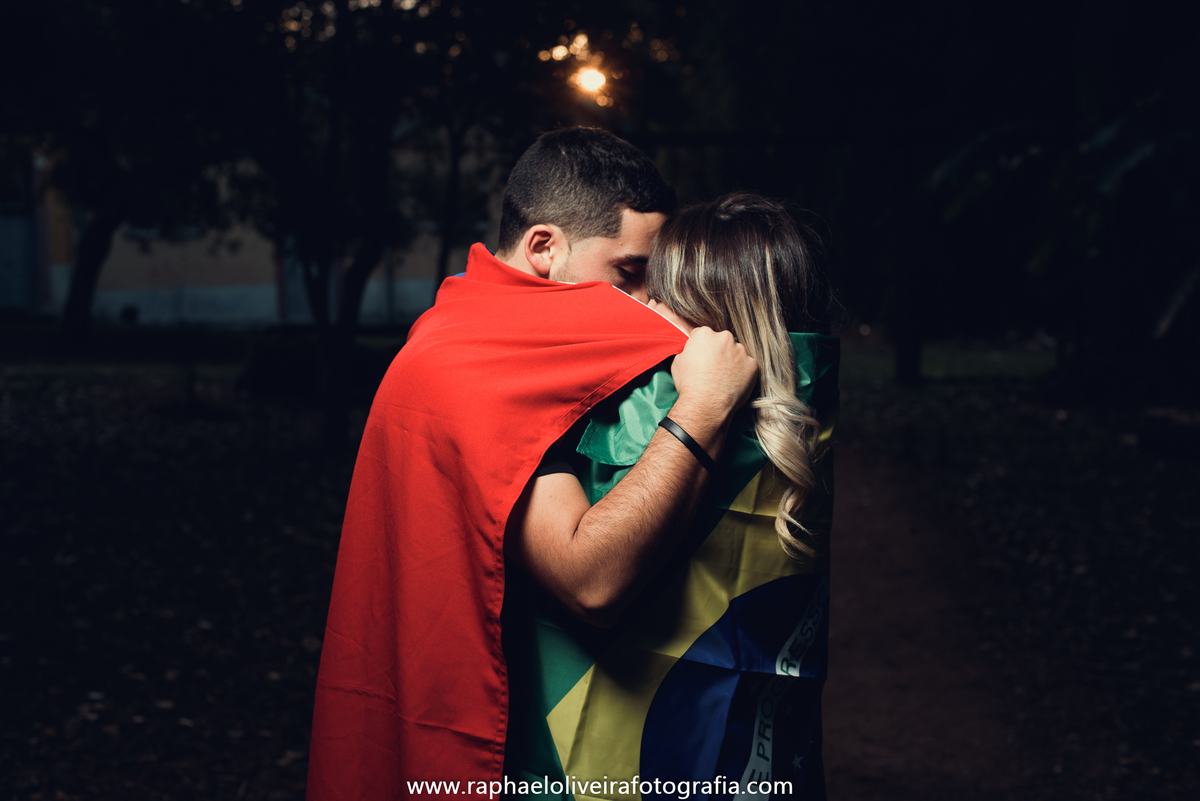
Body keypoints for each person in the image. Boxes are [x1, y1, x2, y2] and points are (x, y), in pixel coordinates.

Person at [305, 129, 758, 800]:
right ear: (545, 247)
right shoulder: (482, 369)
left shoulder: (458, 327)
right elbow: (592, 582)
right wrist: (704, 409)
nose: (648, 305)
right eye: (630, 273)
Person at [503, 193, 839, 798]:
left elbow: (593, 585)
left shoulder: (623, 405)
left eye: (652, 290)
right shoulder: (804, 401)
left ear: (712, 322)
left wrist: (700, 406)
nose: (636, 306)